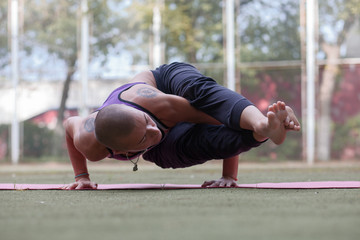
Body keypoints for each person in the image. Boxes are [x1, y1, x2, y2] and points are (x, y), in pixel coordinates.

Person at [65, 62, 300, 190]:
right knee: (180, 150)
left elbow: (221, 113)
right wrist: (82, 177)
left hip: (169, 81)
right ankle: (263, 132)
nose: (153, 131)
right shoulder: (89, 142)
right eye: (143, 138)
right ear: (120, 153)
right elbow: (68, 125)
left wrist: (229, 175)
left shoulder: (163, 105)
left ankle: (262, 123)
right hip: (161, 134)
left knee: (200, 92)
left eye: (147, 123)